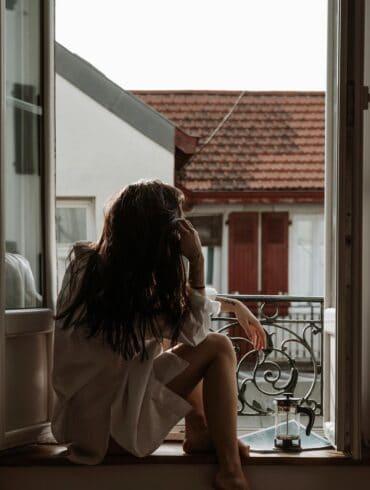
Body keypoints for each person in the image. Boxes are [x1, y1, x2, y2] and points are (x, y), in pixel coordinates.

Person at [51, 180, 267, 490]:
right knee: (217, 347)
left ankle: (201, 430)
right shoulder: (131, 289)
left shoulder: (85, 267)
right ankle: (230, 470)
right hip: (112, 432)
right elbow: (194, 332)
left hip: (83, 427)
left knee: (170, 354)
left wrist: (232, 306)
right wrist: (197, 262)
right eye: (177, 226)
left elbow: (176, 314)